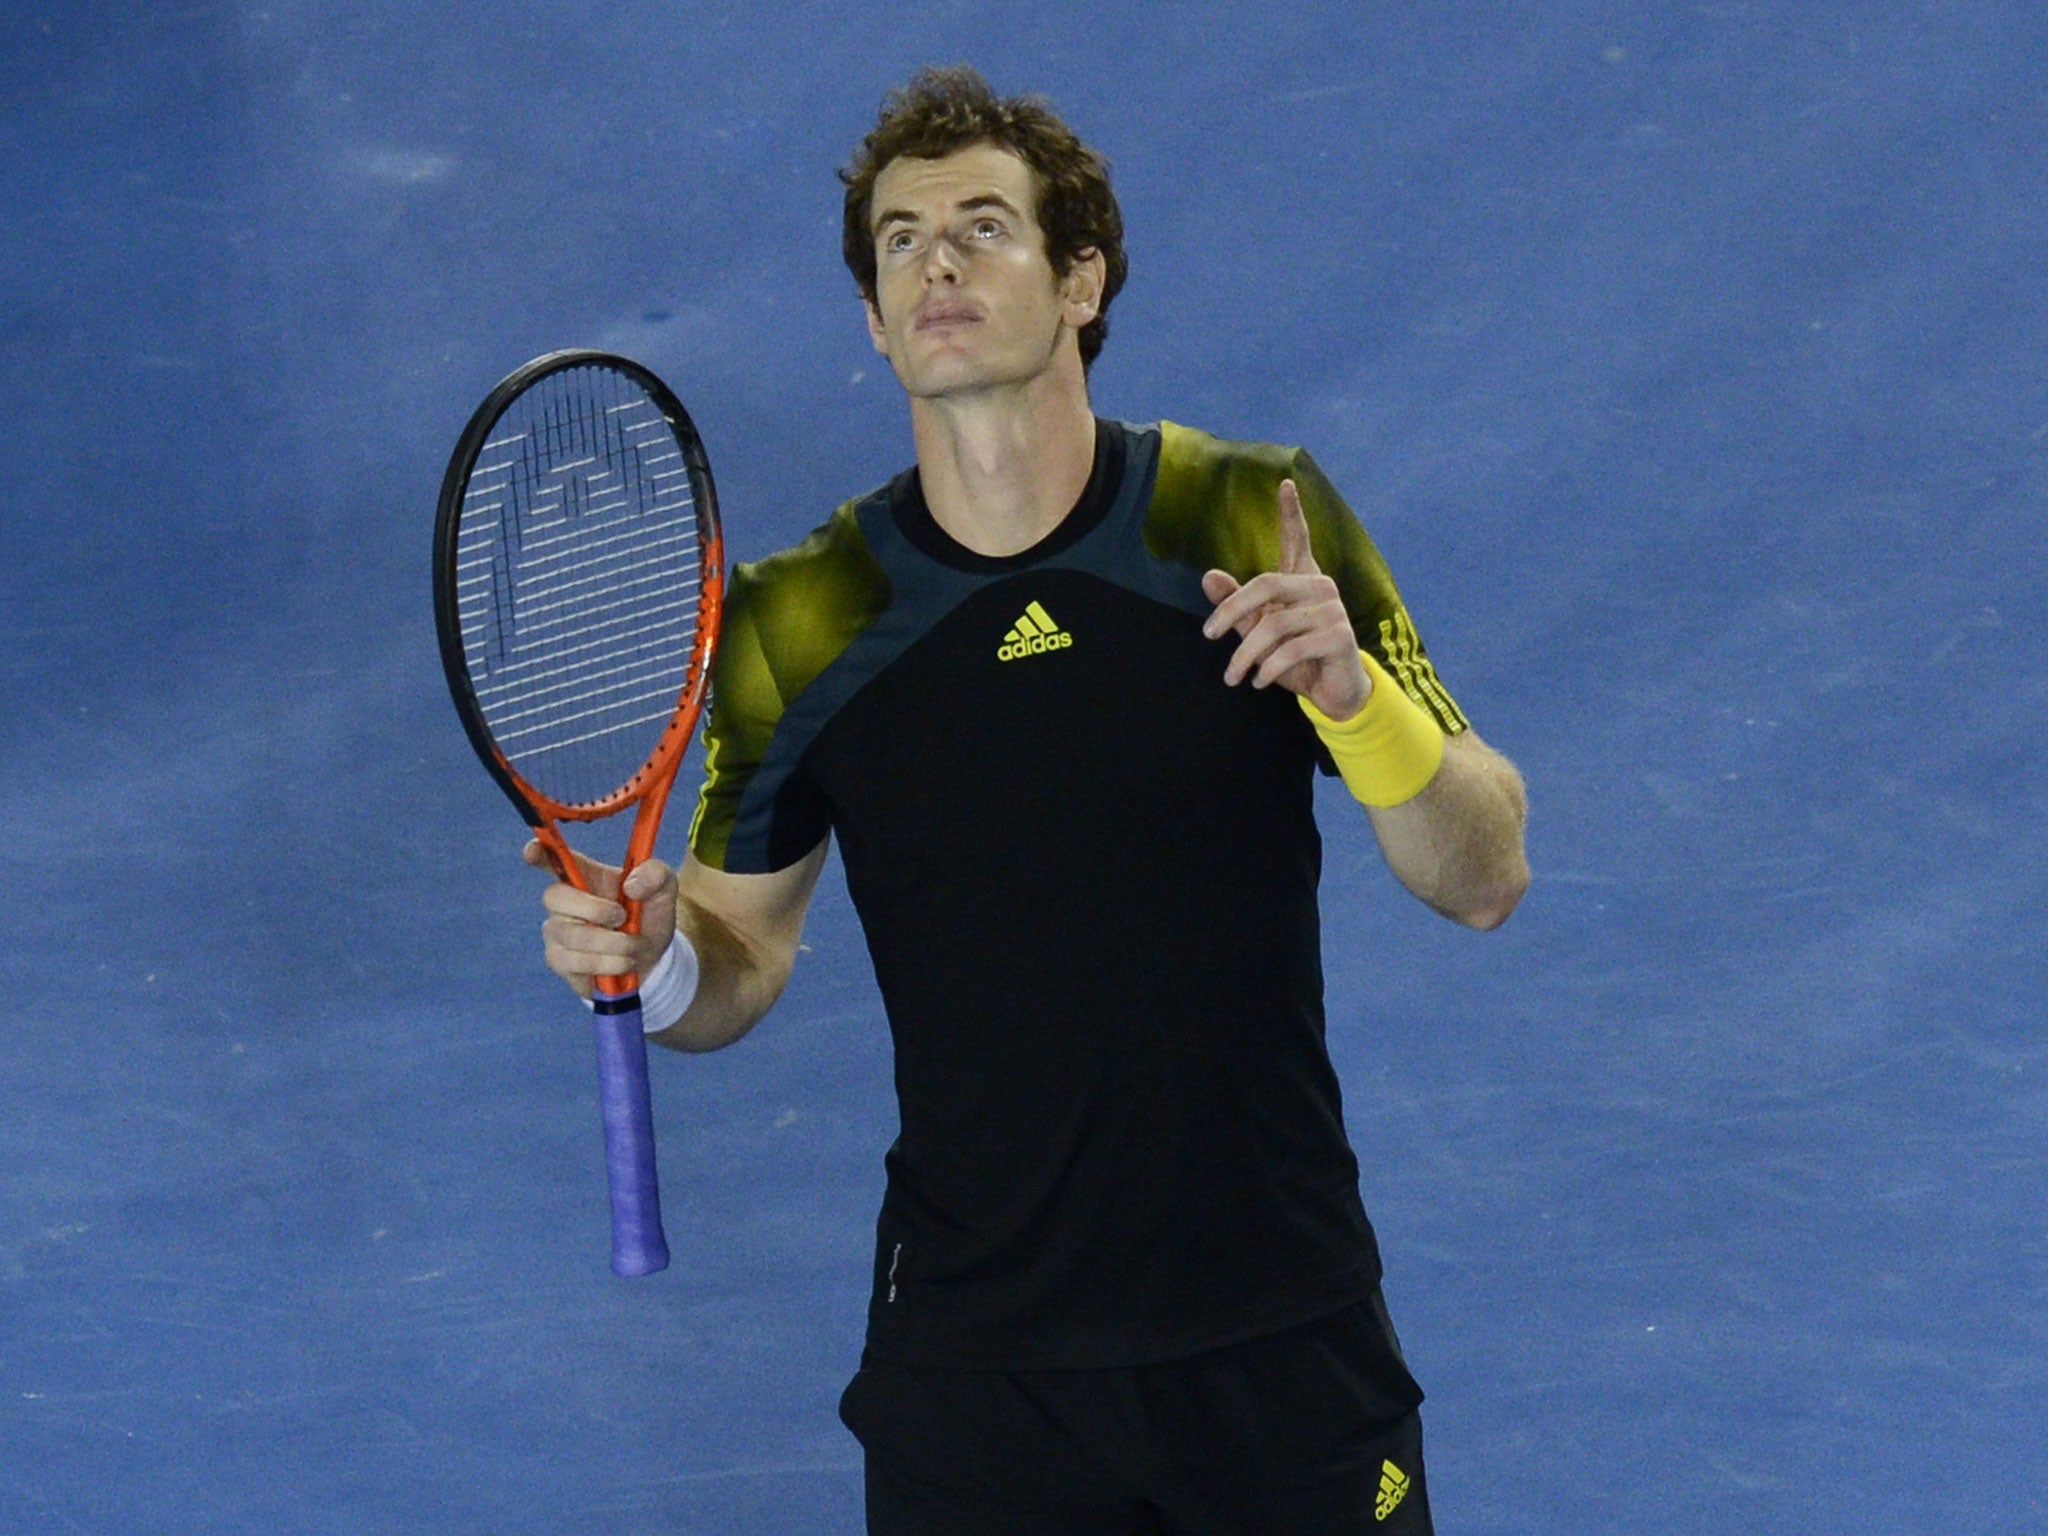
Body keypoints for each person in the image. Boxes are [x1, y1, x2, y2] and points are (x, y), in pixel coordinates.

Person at [530, 65, 1528, 1536]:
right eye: (900, 240)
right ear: (874, 324)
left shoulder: (1248, 517)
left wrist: (1356, 704)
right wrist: (653, 958)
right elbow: (736, 965)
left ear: (1082, 279)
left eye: (984, 227)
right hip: (978, 1374)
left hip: (1277, 1333)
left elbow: (1483, 868)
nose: (936, 259)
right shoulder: (804, 615)